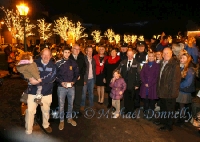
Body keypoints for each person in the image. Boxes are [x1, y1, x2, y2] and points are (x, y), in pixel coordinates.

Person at [25, 48, 57, 134]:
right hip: (33, 91)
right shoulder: (34, 63)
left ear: (50, 56)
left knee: (46, 110)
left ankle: (46, 125)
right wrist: (30, 78)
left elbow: (51, 78)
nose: (46, 57)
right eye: (44, 55)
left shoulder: (53, 66)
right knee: (30, 111)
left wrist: (37, 80)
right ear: (41, 55)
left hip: (46, 92)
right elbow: (24, 72)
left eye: (48, 55)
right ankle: (28, 130)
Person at [157, 48, 181, 131]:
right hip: (162, 91)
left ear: (171, 54)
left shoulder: (174, 65)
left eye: (167, 53)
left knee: (169, 110)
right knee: (163, 108)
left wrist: (173, 94)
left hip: (169, 93)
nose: (165, 54)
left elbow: (176, 81)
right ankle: (163, 122)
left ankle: (168, 126)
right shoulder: (162, 63)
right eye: (164, 53)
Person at [56, 46, 79, 130]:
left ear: (70, 53)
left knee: (70, 103)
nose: (67, 54)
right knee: (61, 105)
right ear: (62, 53)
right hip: (61, 87)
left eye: (68, 52)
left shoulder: (73, 63)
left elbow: (77, 74)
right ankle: (61, 120)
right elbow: (55, 75)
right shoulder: (58, 63)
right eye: (65, 52)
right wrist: (61, 82)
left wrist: (73, 81)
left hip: (71, 87)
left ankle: (69, 118)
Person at [116, 50, 140, 116]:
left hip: (132, 84)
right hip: (124, 84)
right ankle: (126, 109)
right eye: (128, 54)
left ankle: (132, 112)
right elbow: (118, 70)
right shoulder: (123, 62)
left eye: (131, 54)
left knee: (132, 98)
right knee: (125, 97)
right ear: (126, 55)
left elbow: (139, 74)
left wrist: (137, 84)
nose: (129, 56)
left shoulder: (136, 63)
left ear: (133, 54)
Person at [176, 53, 196, 127]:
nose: (181, 59)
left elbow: (188, 82)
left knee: (182, 106)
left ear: (188, 59)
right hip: (182, 89)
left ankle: (181, 120)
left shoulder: (190, 69)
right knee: (181, 106)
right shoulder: (182, 67)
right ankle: (182, 119)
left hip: (184, 90)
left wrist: (178, 86)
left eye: (184, 58)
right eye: (181, 58)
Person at [139, 52, 160, 119]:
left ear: (154, 57)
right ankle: (145, 113)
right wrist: (145, 82)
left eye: (152, 56)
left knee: (152, 102)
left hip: (152, 86)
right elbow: (141, 74)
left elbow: (157, 77)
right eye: (149, 56)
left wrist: (150, 84)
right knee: (145, 101)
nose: (151, 57)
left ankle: (151, 114)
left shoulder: (157, 66)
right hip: (145, 86)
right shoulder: (145, 65)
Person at [69, 44, 86, 116]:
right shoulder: (69, 58)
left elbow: (84, 68)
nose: (77, 51)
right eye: (75, 49)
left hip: (79, 80)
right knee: (70, 96)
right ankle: (70, 110)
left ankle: (76, 110)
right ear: (72, 49)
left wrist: (80, 75)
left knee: (78, 96)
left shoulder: (81, 57)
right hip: (71, 80)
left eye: (78, 49)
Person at [134, 40, 148, 108]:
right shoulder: (135, 55)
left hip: (144, 76)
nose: (140, 48)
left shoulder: (147, 55)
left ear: (144, 47)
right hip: (136, 75)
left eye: (142, 46)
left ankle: (144, 105)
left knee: (144, 91)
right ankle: (137, 104)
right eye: (139, 47)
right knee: (137, 91)